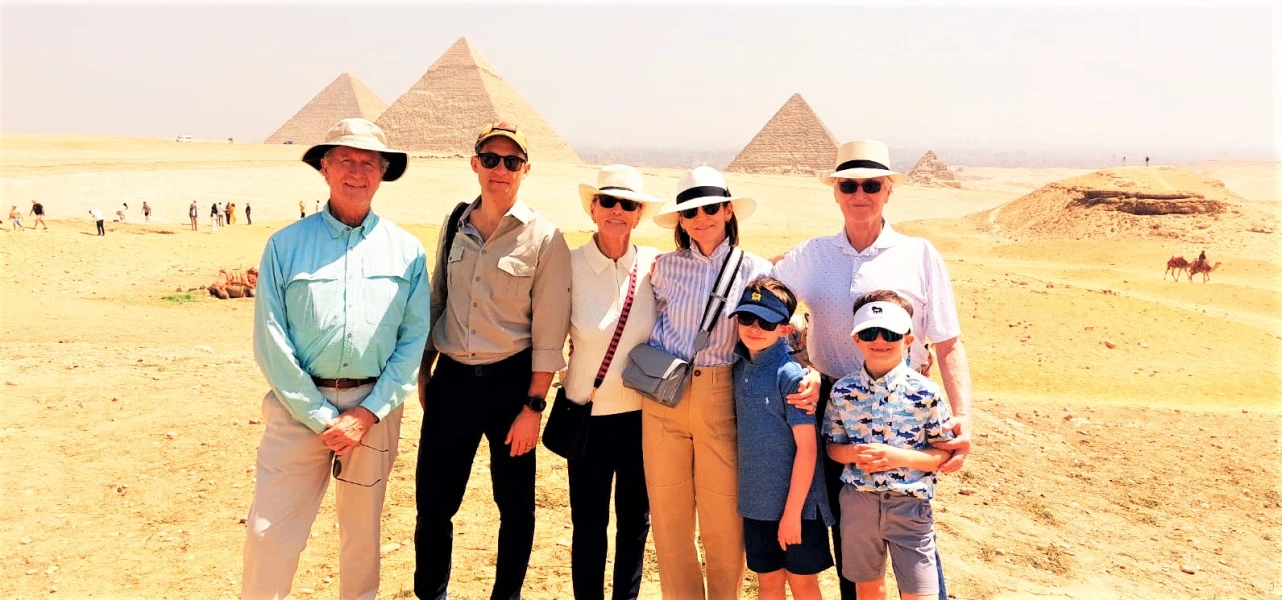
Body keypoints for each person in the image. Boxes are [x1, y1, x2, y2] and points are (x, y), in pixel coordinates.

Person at [772, 140, 972, 600]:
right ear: (835, 192)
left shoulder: (919, 254)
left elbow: (948, 342)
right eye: (849, 185)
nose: (859, 193)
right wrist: (799, 365)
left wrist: (964, 418)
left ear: (888, 191)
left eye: (871, 185)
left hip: (906, 404)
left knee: (914, 532)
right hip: (833, 403)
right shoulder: (812, 255)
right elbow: (760, 296)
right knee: (851, 529)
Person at [242, 118, 430, 600]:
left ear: (383, 173)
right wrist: (321, 415)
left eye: (369, 162)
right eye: (346, 159)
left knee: (362, 535)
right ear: (324, 167)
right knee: (269, 533)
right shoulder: (285, 245)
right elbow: (270, 339)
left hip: (374, 410)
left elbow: (413, 341)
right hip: (297, 409)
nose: (357, 171)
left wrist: (366, 414)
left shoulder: (406, 252)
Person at [644, 166, 818, 600]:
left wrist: (808, 367)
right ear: (680, 220)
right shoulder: (663, 268)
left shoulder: (755, 269)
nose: (700, 218)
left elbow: (786, 322)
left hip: (721, 392)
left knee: (723, 517)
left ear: (727, 211)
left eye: (710, 208)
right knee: (668, 517)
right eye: (690, 212)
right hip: (663, 394)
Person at [415, 121, 572, 600]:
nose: (499, 169)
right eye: (490, 159)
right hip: (452, 382)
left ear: (525, 169)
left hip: (511, 385)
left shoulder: (545, 238)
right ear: (475, 164)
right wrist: (424, 370)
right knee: (433, 503)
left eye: (511, 161)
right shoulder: (454, 223)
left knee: (516, 507)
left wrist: (533, 407)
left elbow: (550, 332)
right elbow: (438, 298)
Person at [563, 165, 665, 600]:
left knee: (635, 522)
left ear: (639, 214)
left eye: (628, 204)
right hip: (586, 416)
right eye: (608, 201)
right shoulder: (566, 266)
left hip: (642, 417)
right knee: (588, 523)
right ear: (593, 208)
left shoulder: (656, 265)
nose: (617, 210)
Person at [824, 291, 952, 600]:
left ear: (908, 340)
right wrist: (852, 453)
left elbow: (942, 454)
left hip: (909, 506)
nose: (880, 340)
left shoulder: (926, 393)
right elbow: (832, 446)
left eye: (891, 334)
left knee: (921, 593)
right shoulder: (842, 391)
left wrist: (897, 457)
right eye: (870, 333)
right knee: (868, 590)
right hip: (859, 505)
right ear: (856, 339)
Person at [730, 278, 833, 600]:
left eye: (767, 322)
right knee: (769, 584)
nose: (755, 328)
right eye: (747, 318)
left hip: (800, 508)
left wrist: (792, 514)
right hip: (756, 504)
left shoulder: (790, 375)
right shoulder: (738, 367)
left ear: (785, 329)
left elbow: (807, 449)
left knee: (802, 584)